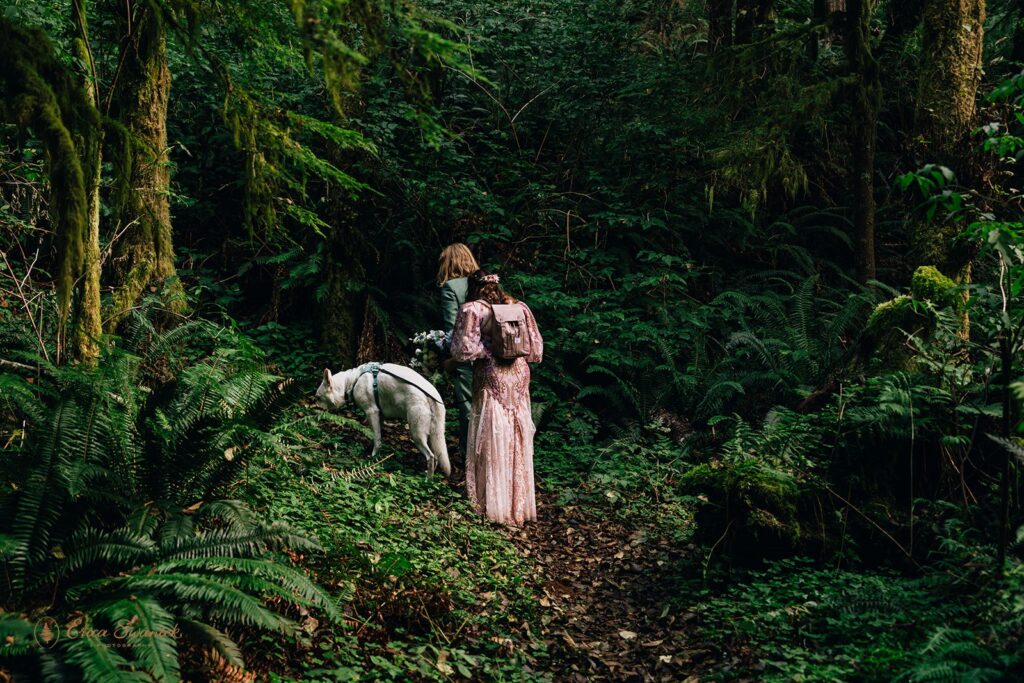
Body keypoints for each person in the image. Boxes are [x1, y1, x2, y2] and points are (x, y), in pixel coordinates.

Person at [450, 269, 543, 526]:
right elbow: (535, 347)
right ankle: (518, 504)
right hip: (519, 374)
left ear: (473, 288)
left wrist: (487, 351)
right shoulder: (518, 306)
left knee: (493, 435)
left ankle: (492, 505)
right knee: (516, 434)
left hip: (491, 375)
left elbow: (462, 349)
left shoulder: (473, 310)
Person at [437, 243, 480, 456]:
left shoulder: (451, 287)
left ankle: (469, 455)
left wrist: (448, 358)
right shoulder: (487, 283)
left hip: (467, 357)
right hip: (492, 356)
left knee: (469, 408)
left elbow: (453, 329)